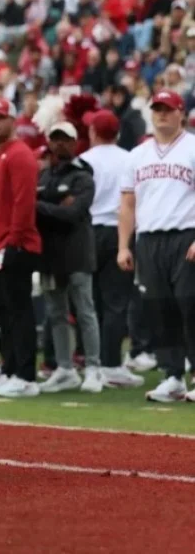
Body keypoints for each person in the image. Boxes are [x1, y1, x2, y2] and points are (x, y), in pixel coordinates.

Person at [118, 89, 195, 403]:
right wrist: (124, 245)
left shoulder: (192, 146)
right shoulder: (137, 155)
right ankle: (172, 375)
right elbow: (127, 203)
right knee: (159, 308)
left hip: (185, 235)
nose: (162, 114)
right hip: (148, 239)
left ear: (180, 112)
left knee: (190, 305)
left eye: (168, 108)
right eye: (157, 108)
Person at [0, 98, 42, 398]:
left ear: (12, 120)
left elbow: (23, 202)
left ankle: (26, 375)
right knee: (4, 313)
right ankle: (11, 369)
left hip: (12, 244)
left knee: (18, 311)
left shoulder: (19, 155)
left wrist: (14, 240)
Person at [34, 122, 102, 393]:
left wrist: (39, 206)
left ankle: (94, 367)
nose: (59, 144)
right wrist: (55, 206)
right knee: (56, 312)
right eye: (55, 139)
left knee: (84, 310)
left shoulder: (82, 177)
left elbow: (73, 214)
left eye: (65, 139)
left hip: (77, 253)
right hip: (50, 255)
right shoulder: (44, 176)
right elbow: (58, 211)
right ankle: (64, 368)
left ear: (75, 143)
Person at [80, 110, 145, 388]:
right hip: (120, 231)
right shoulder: (129, 158)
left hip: (87, 232)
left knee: (89, 303)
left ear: (93, 132)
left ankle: (94, 363)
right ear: (117, 133)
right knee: (115, 302)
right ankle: (110, 364)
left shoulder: (84, 160)